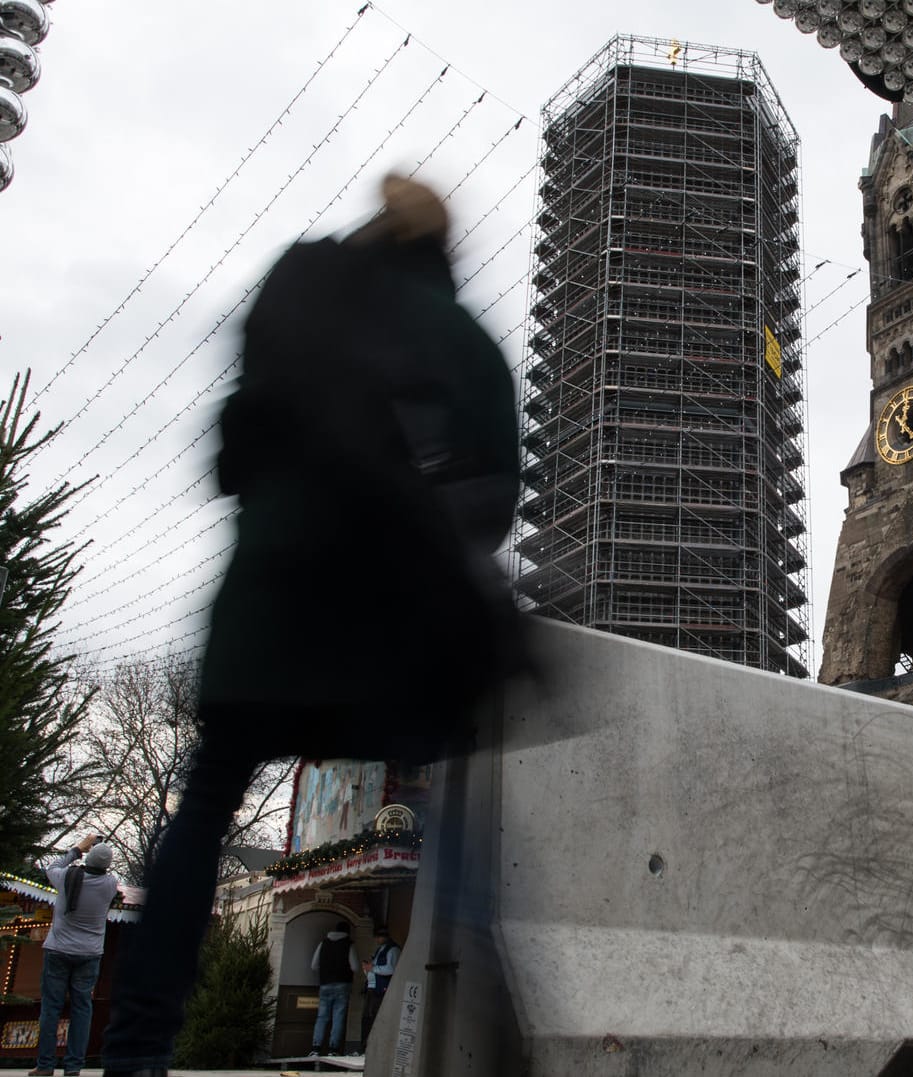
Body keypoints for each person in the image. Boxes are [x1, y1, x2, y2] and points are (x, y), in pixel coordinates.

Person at [98, 175, 527, 1077]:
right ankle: (500, 1039)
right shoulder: (465, 342)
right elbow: (491, 499)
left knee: (207, 801)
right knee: (452, 815)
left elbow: (231, 438)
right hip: (397, 613)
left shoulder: (298, 287)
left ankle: (137, 1051)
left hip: (274, 591)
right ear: (443, 250)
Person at [29, 836, 119, 1077]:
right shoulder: (110, 884)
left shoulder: (66, 879)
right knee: (82, 1008)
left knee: (51, 1008)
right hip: (89, 954)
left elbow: (53, 867)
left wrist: (79, 848)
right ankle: (73, 1066)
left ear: (88, 858)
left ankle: (46, 1065)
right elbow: (103, 873)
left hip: (58, 950)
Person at [310, 924, 358, 1056]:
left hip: (325, 984)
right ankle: (333, 1049)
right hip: (343, 984)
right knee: (338, 1016)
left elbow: (314, 965)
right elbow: (354, 966)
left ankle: (316, 1048)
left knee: (322, 1017)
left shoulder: (323, 943)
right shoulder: (349, 944)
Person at [360, 925, 400, 1049]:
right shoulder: (380, 950)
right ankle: (364, 1046)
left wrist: (372, 968)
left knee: (375, 1017)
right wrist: (368, 969)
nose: (376, 939)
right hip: (372, 987)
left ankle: (371, 1046)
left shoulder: (393, 950)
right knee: (367, 1017)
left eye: (379, 937)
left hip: (381, 989)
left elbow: (391, 969)